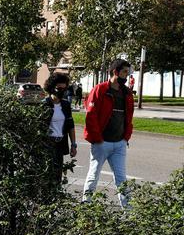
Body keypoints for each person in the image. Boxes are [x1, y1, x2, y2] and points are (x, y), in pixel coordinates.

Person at [82, 59, 136, 208]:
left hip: (119, 143)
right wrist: (97, 139)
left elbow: (129, 116)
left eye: (128, 72)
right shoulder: (100, 90)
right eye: (124, 72)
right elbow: (90, 116)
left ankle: (128, 210)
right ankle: (85, 206)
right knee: (93, 175)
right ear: (115, 72)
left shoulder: (127, 93)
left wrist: (125, 138)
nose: (127, 76)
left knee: (121, 178)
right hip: (101, 143)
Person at [42, 73, 77, 188]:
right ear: (52, 87)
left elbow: (70, 125)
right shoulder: (44, 104)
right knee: (45, 174)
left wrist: (73, 144)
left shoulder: (66, 105)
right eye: (59, 88)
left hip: (59, 144)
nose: (62, 91)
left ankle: (55, 199)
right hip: (46, 145)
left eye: (64, 88)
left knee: (57, 175)